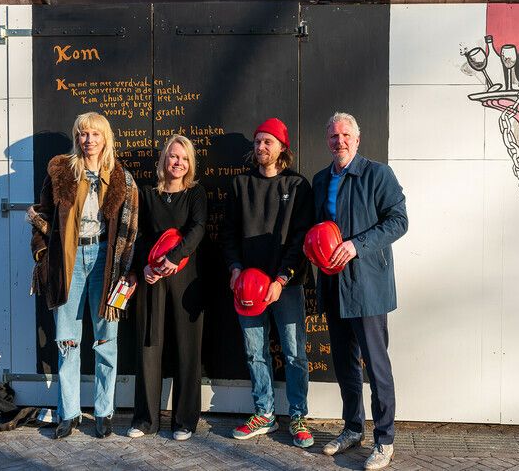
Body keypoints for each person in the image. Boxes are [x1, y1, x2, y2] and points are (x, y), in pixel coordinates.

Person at [28, 112, 139, 440]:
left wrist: (127, 269)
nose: (88, 140)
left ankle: (104, 412)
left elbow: (131, 231)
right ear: (76, 138)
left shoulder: (122, 178)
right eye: (82, 134)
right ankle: (69, 412)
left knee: (106, 340)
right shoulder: (61, 173)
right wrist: (42, 253)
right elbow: (42, 215)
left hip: (106, 260)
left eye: (94, 134)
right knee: (67, 340)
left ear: (106, 138)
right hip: (70, 259)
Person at [313, 112, 407, 470]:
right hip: (333, 284)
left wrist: (356, 246)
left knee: (376, 365)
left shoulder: (377, 174)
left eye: (345, 135)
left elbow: (399, 221)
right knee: (344, 363)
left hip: (367, 285)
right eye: (333, 135)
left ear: (358, 138)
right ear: (328, 140)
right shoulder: (322, 179)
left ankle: (384, 440)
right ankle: (353, 427)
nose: (340, 141)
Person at [221, 118, 315, 448]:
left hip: (285, 285)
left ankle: (299, 415)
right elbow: (228, 234)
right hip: (246, 286)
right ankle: (264, 413)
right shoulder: (240, 185)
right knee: (254, 352)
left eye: (268, 142)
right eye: (258, 141)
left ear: (281, 148)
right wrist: (234, 268)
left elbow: (302, 239)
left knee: (293, 353)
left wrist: (282, 277)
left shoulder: (299, 185)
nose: (261, 147)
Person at [127, 135, 207, 441]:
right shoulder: (147, 193)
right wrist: (143, 267)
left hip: (186, 277)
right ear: (163, 160)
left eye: (184, 158)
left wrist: (174, 258)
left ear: (190, 163)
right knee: (149, 344)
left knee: (188, 347)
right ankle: (145, 419)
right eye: (173, 157)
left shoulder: (196, 193)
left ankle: (185, 420)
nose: (178, 163)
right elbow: (139, 232)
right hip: (151, 276)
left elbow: (197, 228)